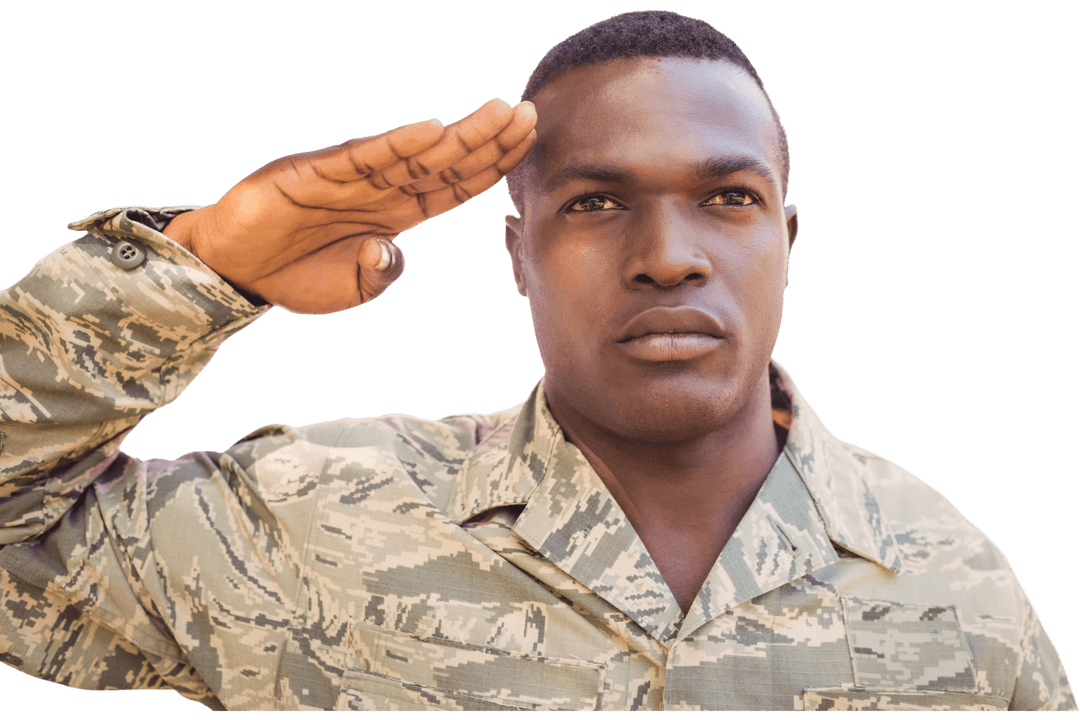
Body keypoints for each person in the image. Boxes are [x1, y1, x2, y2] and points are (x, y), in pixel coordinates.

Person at [0, 9, 1074, 712]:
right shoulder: (311, 527)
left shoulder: (953, 585)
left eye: (727, 199)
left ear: (787, 243)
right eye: (596, 202)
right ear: (519, 252)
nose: (668, 259)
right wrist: (201, 270)